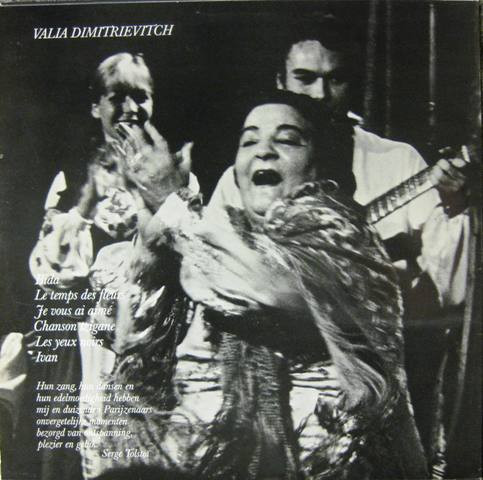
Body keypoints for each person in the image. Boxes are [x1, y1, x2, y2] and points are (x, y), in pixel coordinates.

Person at [128, 90, 428, 479]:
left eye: (287, 140)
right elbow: (139, 351)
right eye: (248, 141)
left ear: (321, 165)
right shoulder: (219, 241)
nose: (263, 151)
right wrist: (151, 253)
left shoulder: (346, 239)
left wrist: (172, 206)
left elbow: (262, 284)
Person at [211, 17, 470, 314]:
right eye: (305, 79)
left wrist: (454, 207)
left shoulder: (399, 160)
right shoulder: (247, 173)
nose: (321, 94)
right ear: (280, 83)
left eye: (336, 79)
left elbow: (450, 290)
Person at [29, 52, 196, 480]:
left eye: (141, 96)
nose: (130, 108)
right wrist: (87, 201)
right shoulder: (72, 178)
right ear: (95, 106)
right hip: (90, 349)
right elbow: (49, 273)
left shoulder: (177, 171)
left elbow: (195, 254)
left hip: (156, 345)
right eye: (117, 96)